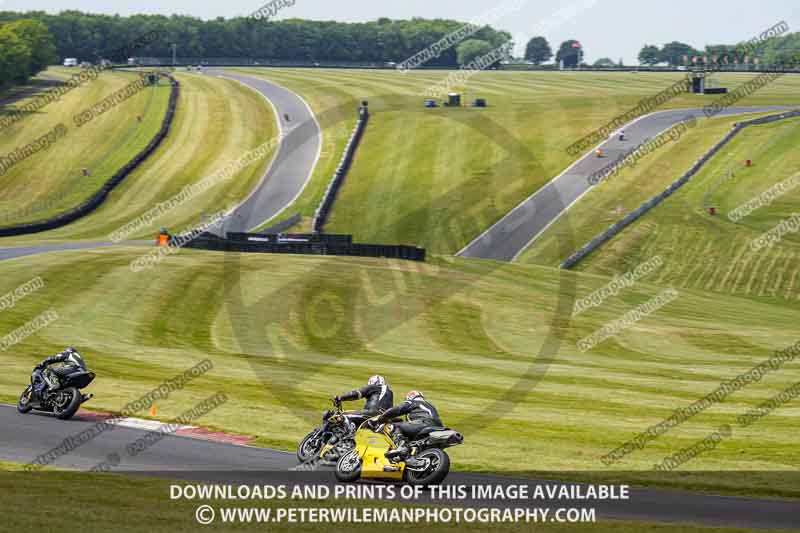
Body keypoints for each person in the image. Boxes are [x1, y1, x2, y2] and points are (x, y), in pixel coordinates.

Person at [373, 390, 443, 459]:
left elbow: (398, 409)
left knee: (393, 426)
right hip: (437, 426)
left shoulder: (413, 402)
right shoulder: (429, 405)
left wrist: (382, 417)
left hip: (424, 423)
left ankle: (402, 447)